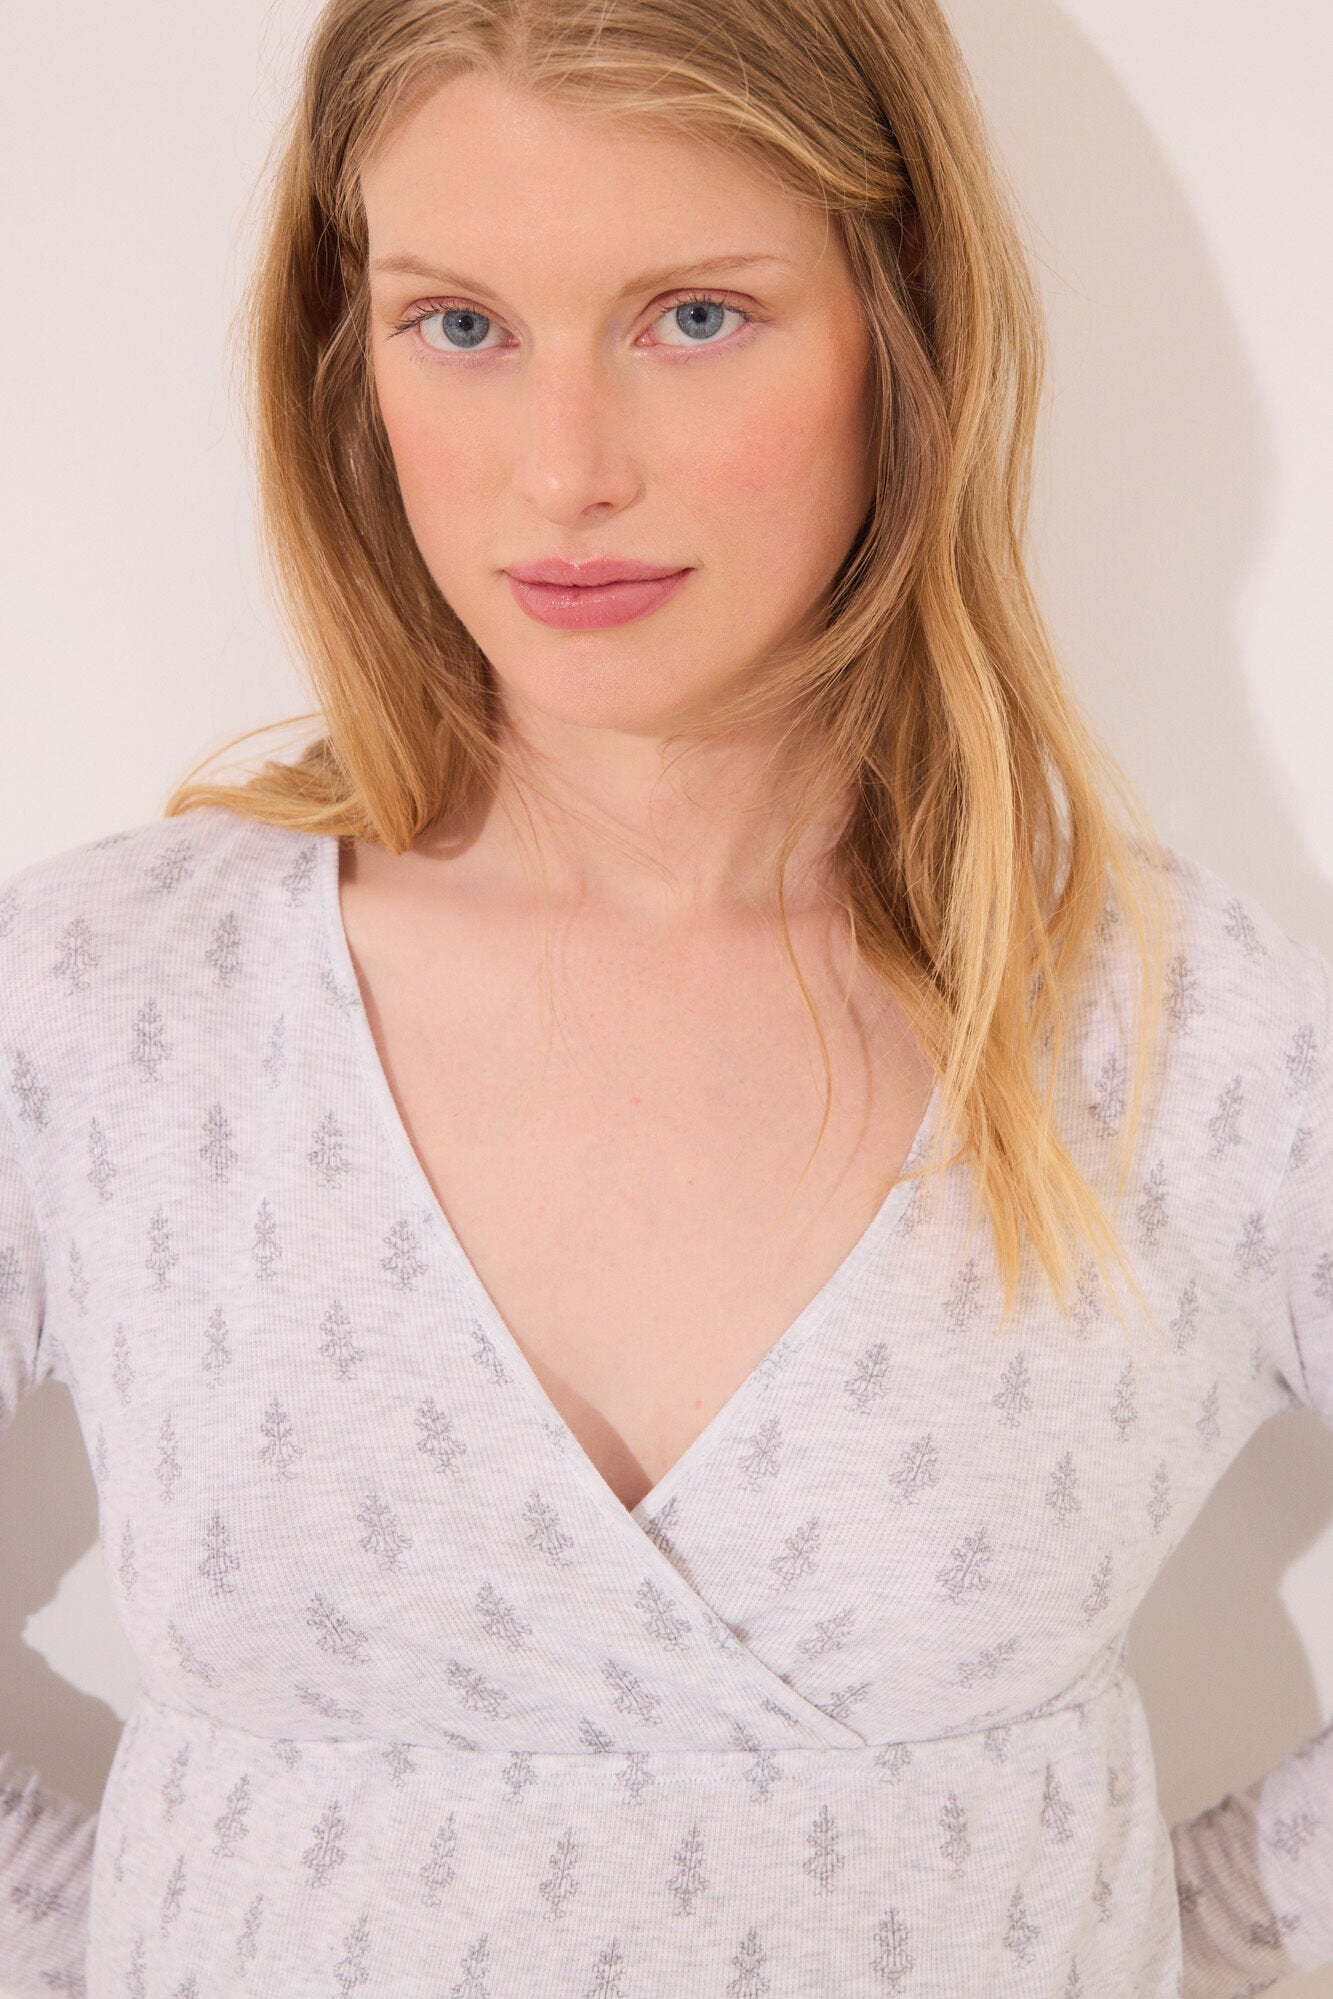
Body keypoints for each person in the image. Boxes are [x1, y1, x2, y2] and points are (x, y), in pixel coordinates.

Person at [1, 0, 1329, 1993]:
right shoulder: (105, 1003)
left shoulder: (1170, 1033)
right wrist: (140, 1933)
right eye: (460, 325)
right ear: (349, 352)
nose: (563, 472)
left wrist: (1167, 1928)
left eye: (693, 317)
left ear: (902, 327)